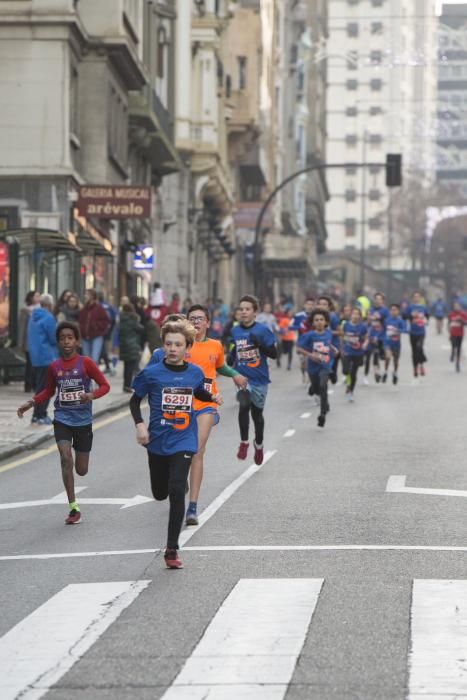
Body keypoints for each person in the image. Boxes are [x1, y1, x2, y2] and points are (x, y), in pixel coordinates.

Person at [129, 319, 222, 569]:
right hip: (158, 440)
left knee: (176, 488)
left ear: (187, 347)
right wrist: (140, 425)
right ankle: (174, 487)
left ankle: (172, 548)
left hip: (184, 439)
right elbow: (134, 401)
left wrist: (211, 396)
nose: (172, 348)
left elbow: (199, 392)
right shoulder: (151, 373)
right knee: (160, 492)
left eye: (178, 344)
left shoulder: (195, 372)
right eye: (168, 344)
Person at [17, 321, 110, 524]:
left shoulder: (86, 363)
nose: (66, 342)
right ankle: (73, 508)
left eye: (70, 338)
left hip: (83, 421)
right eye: (62, 338)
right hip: (62, 419)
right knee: (65, 458)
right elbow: (49, 391)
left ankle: (79, 466)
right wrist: (31, 402)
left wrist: (91, 395)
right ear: (58, 342)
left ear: (76, 341)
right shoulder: (54, 366)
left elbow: (105, 386)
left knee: (81, 469)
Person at [228, 295, 278, 465]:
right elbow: (235, 347)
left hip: (260, 379)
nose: (243, 312)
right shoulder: (235, 330)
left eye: (247, 309)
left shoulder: (262, 330)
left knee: (257, 416)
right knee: (243, 405)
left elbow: (274, 354)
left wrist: (260, 345)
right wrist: (230, 356)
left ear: (254, 312)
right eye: (241, 309)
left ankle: (259, 444)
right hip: (243, 378)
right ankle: (244, 443)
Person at [297, 308, 336, 427]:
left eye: (321, 320)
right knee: (317, 388)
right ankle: (320, 397)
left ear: (326, 322)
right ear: (313, 323)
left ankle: (322, 414)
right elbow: (299, 349)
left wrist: (334, 349)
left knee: (323, 386)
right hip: (312, 367)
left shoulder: (329, 333)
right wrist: (310, 355)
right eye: (316, 320)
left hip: (325, 365)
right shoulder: (309, 335)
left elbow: (328, 344)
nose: (319, 322)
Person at [27, 293, 58, 425]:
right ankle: (40, 414)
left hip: (36, 356)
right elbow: (53, 338)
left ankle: (38, 414)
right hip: (47, 356)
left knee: (40, 387)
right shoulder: (49, 318)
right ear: (50, 304)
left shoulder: (33, 317)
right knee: (47, 388)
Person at [341, 307, 368, 402]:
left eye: (357, 314)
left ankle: (351, 391)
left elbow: (366, 337)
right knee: (345, 370)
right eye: (354, 314)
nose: (355, 316)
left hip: (358, 352)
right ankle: (348, 382)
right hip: (347, 351)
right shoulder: (345, 325)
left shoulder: (363, 326)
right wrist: (341, 348)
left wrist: (365, 343)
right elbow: (342, 336)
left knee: (354, 373)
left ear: (360, 316)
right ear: (350, 315)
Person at [79, 288, 110, 363]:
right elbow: (80, 321)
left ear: (92, 296)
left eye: (86, 294)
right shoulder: (83, 309)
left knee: (94, 359)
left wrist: (96, 325)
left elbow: (106, 321)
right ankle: (88, 374)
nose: (84, 296)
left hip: (96, 336)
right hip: (84, 337)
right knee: (86, 360)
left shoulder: (99, 308)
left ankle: (93, 374)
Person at [119, 303, 145, 392]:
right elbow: (141, 329)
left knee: (126, 367)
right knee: (131, 367)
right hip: (132, 346)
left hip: (124, 346)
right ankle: (128, 386)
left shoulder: (121, 320)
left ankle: (125, 385)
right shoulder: (132, 320)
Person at [18, 290, 40, 392]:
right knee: (30, 364)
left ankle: (35, 384)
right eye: (36, 296)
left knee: (37, 364)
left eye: (39, 296)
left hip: (39, 341)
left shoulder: (42, 310)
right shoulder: (25, 311)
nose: (38, 298)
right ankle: (28, 384)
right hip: (28, 341)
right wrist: (21, 342)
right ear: (31, 298)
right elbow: (22, 328)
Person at [364, 292, 389, 384]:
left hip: (381, 337)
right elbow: (367, 323)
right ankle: (370, 374)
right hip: (371, 336)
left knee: (380, 356)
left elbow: (386, 324)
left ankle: (377, 371)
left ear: (382, 301)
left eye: (380, 299)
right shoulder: (370, 310)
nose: (378, 301)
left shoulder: (385, 311)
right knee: (370, 355)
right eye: (376, 299)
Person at [406, 291, 429, 377]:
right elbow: (405, 316)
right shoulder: (410, 307)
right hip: (412, 332)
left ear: (420, 298)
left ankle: (421, 365)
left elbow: (427, 316)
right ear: (413, 298)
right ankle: (415, 368)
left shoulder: (423, 307)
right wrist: (411, 316)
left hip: (421, 332)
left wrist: (425, 320)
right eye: (415, 297)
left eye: (418, 297)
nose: (416, 298)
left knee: (419, 347)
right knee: (414, 351)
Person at [383, 304, 407, 384]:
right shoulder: (386, 320)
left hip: (396, 344)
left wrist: (398, 330)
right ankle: (385, 372)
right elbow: (382, 330)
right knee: (388, 357)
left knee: (396, 361)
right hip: (388, 343)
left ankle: (395, 373)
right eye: (392, 310)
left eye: (395, 310)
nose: (393, 312)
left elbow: (405, 329)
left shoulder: (400, 321)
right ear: (390, 311)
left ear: (398, 311)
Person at [448, 301, 467, 372]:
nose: (456, 307)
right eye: (455, 306)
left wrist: (461, 320)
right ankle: (452, 353)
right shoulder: (451, 314)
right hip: (453, 333)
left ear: (460, 307)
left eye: (458, 306)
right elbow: (449, 323)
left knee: (459, 348)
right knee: (454, 346)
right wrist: (449, 333)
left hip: (460, 334)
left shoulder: (463, 314)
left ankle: (457, 364)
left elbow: (466, 323)